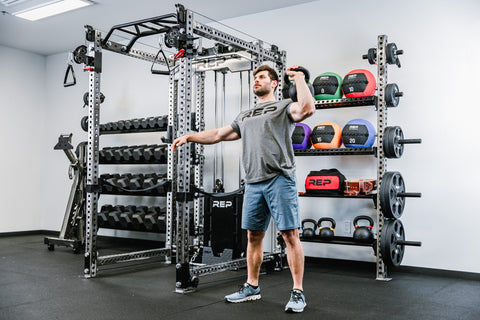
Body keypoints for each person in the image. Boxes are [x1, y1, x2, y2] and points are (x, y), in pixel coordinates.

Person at [172, 64, 315, 313]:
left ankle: (298, 291)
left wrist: (300, 78)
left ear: (274, 84)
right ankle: (252, 286)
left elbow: (307, 108)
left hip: (279, 178)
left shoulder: (283, 107)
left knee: (290, 236)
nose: (256, 81)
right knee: (253, 236)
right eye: (254, 78)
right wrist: (189, 136)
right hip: (253, 182)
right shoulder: (244, 116)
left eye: (261, 77)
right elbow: (218, 134)